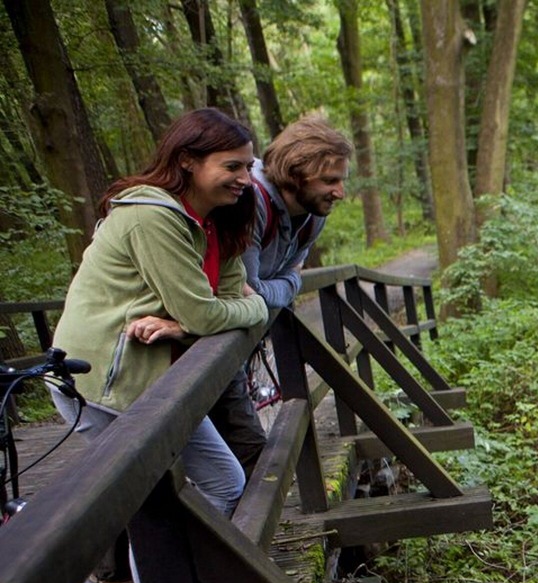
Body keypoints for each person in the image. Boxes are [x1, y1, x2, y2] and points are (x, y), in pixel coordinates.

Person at [50, 108, 267, 517]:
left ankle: (196, 580)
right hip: (103, 380)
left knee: (222, 484)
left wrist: (181, 324)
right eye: (232, 166)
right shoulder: (151, 216)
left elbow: (212, 304)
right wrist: (252, 304)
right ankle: (174, 581)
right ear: (187, 160)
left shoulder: (216, 219)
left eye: (249, 166)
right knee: (154, 508)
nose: (245, 178)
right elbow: (208, 314)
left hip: (159, 380)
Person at [208, 115, 353, 476]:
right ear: (296, 173)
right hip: (205, 349)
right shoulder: (248, 203)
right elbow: (251, 288)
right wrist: (286, 286)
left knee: (233, 467)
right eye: (330, 180)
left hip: (242, 342)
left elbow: (273, 283)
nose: (340, 192)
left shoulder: (314, 214)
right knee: (246, 467)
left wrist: (275, 289)